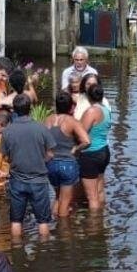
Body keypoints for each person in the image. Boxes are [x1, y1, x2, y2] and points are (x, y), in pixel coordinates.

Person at [0, 93, 54, 238]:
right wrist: (41, 161)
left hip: (17, 181)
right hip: (38, 180)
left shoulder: (7, 131)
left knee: (16, 220)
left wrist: (15, 161)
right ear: (30, 108)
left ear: (14, 110)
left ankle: (17, 250)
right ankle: (44, 252)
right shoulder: (41, 128)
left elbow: (4, 157)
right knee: (43, 221)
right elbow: (50, 154)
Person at [43, 89, 90, 219]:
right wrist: (76, 149)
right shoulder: (72, 122)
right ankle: (62, 233)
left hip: (50, 164)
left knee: (58, 197)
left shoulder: (47, 120)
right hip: (67, 164)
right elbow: (86, 141)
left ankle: (52, 224)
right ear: (71, 107)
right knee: (65, 202)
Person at [79, 81, 112, 210]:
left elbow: (81, 133)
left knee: (91, 197)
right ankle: (102, 217)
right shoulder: (106, 109)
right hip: (104, 151)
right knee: (99, 190)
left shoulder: (91, 111)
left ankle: (94, 225)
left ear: (88, 96)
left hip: (91, 153)